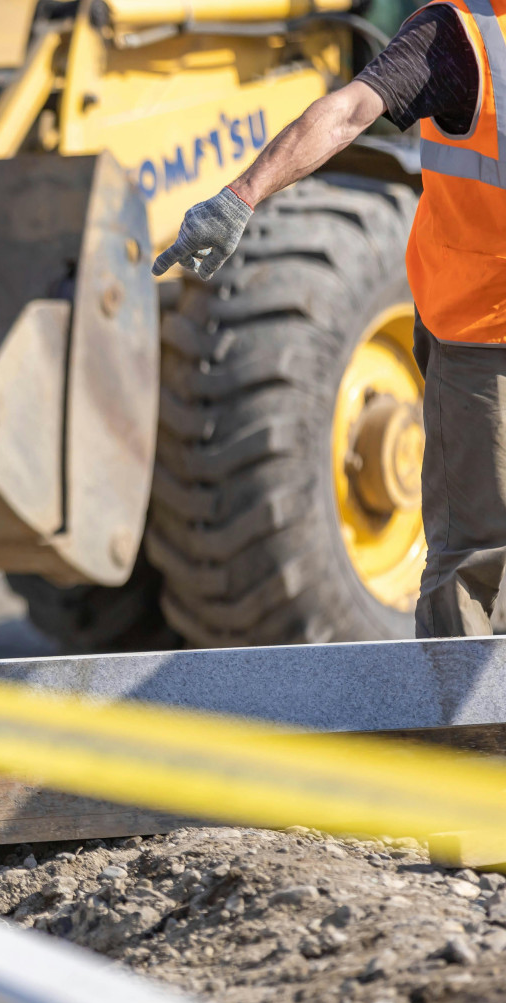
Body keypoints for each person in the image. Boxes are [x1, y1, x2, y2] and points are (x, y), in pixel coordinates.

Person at [153, 1, 502, 639]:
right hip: (484, 337)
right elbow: (347, 112)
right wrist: (241, 195)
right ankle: (468, 731)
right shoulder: (462, 35)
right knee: (479, 562)